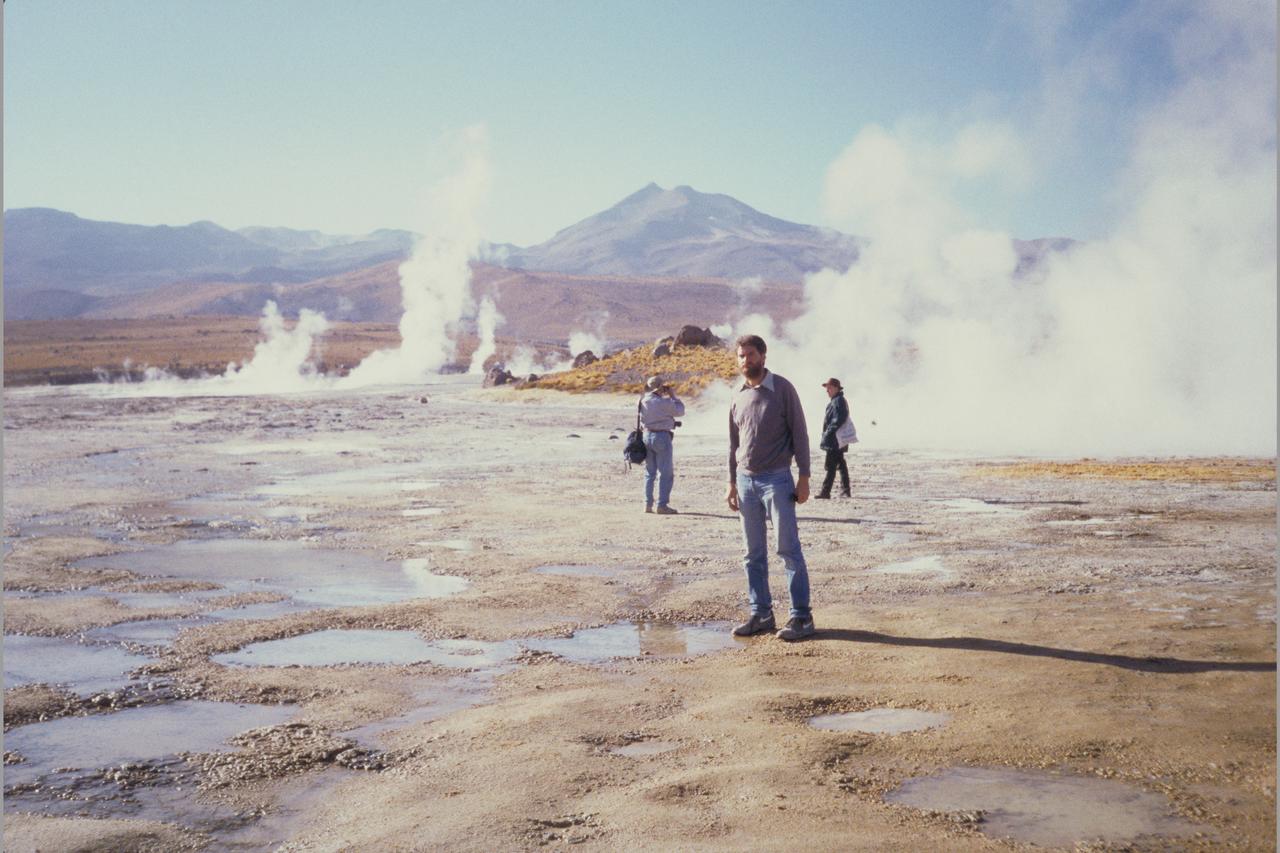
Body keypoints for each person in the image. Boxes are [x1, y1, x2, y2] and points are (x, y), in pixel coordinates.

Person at [725, 335, 815, 641]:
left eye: (750, 354)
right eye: (741, 356)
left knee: (788, 549)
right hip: (745, 481)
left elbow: (800, 433)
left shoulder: (782, 389)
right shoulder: (737, 394)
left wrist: (804, 477)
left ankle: (801, 617)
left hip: (777, 479)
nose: (745, 360)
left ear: (763, 356)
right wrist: (731, 482)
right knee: (752, 554)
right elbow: (734, 444)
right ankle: (761, 614)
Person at [640, 375, 685, 515]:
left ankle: (647, 504)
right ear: (660, 388)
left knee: (650, 473)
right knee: (665, 473)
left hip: (646, 436)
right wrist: (673, 395)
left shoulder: (643, 400)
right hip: (661, 437)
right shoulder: (664, 402)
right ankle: (662, 505)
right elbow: (680, 411)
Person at [816, 377, 851, 499]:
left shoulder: (838, 401)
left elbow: (840, 418)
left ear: (836, 388)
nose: (827, 390)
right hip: (837, 439)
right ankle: (845, 490)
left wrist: (828, 432)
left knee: (831, 466)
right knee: (840, 464)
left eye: (829, 388)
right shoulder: (837, 400)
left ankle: (826, 492)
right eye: (827, 388)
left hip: (835, 439)